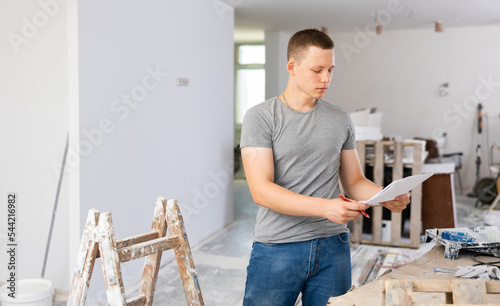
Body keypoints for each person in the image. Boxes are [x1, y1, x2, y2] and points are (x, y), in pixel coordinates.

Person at [239, 28, 410, 305]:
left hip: (334, 248)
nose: (326, 78)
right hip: (278, 248)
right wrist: (325, 207)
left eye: (330, 69)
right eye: (317, 70)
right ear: (291, 67)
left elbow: (354, 181)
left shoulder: (340, 119)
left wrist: (384, 194)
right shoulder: (260, 118)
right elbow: (262, 191)